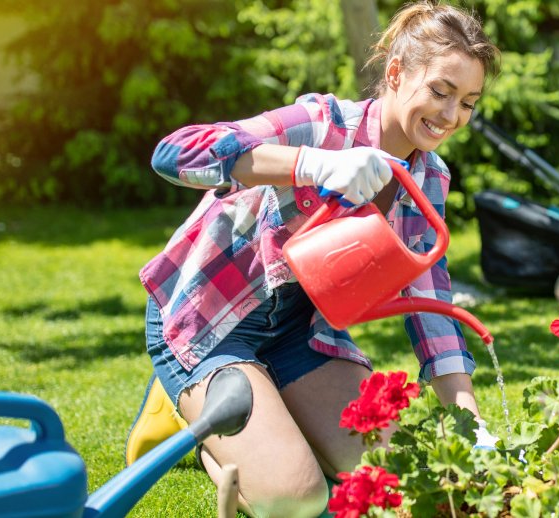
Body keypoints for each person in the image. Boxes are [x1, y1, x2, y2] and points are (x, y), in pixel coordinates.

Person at [122, 1, 500, 516]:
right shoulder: (323, 125)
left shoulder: (429, 179)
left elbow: (429, 304)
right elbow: (175, 152)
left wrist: (469, 422)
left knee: (392, 475)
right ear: (395, 73)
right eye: (440, 91)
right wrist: (313, 163)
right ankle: (188, 409)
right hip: (207, 319)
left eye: (468, 103)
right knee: (294, 498)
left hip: (301, 331)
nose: (451, 116)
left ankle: (265, 411)